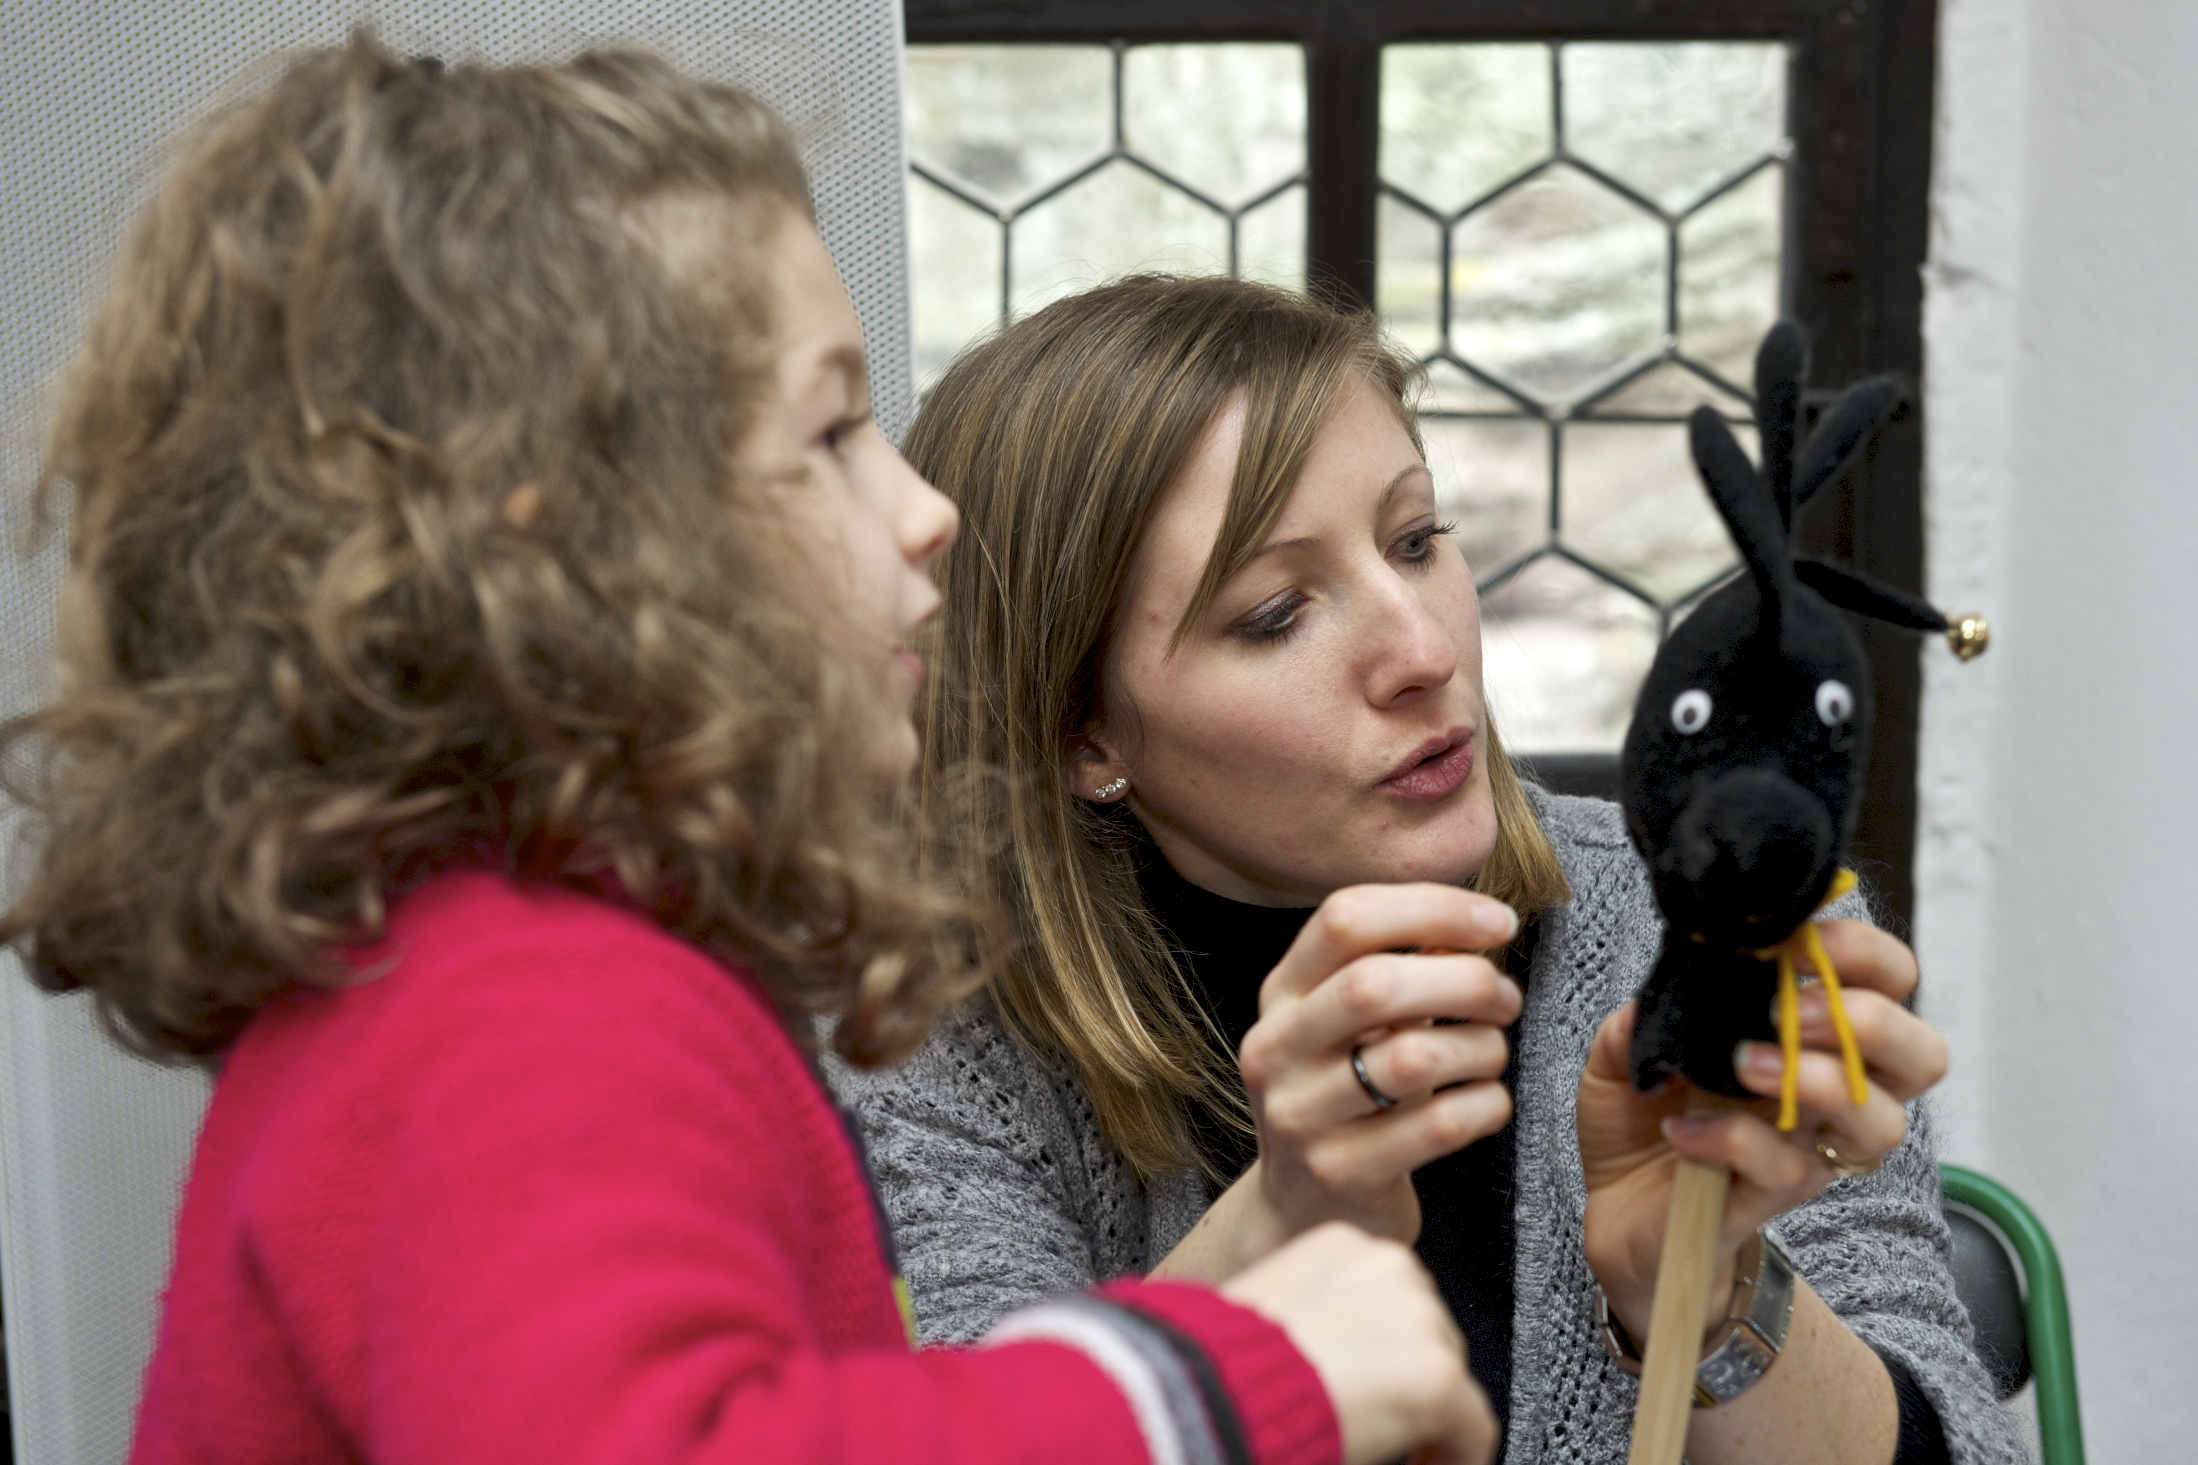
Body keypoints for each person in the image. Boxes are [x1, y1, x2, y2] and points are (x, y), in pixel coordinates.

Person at [0, 41, 1498, 1465]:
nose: (925, 512)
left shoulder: (483, 963)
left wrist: (1264, 1237)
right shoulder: (526, 1011)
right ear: (585, 553)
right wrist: (1233, 1380)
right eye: (833, 435)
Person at [832, 275, 2025, 1465]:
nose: (1420, 648)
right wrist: (1274, 1218)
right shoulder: (936, 1041)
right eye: (1275, 612)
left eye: (1415, 541)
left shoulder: (1707, 929)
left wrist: (1697, 1294)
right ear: (1083, 734)